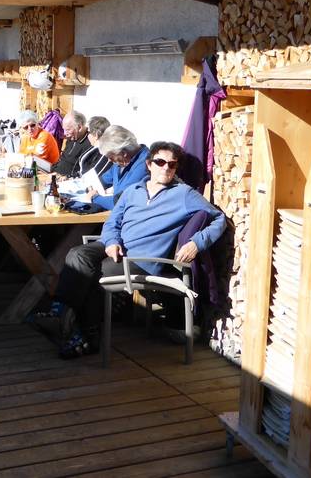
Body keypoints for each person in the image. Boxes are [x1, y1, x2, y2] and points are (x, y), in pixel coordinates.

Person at [48, 141, 226, 358]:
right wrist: (112, 241)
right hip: (115, 246)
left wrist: (197, 243)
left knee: (91, 275)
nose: (166, 168)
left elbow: (219, 218)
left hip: (142, 259)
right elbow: (112, 222)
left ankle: (84, 333)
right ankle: (64, 315)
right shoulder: (133, 191)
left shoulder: (184, 194)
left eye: (172, 164)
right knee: (76, 254)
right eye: (160, 162)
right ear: (149, 164)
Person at [90, 125, 149, 210]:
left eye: (111, 157)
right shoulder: (120, 163)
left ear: (124, 153)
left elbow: (121, 202)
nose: (109, 160)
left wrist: (95, 198)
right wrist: (88, 188)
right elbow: (100, 182)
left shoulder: (144, 165)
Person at [53, 111, 93, 177]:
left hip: (68, 180)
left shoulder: (90, 143)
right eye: (64, 130)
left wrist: (66, 177)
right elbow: (62, 159)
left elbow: (85, 173)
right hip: (55, 174)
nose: (65, 133)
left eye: (68, 130)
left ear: (79, 127)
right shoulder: (71, 138)